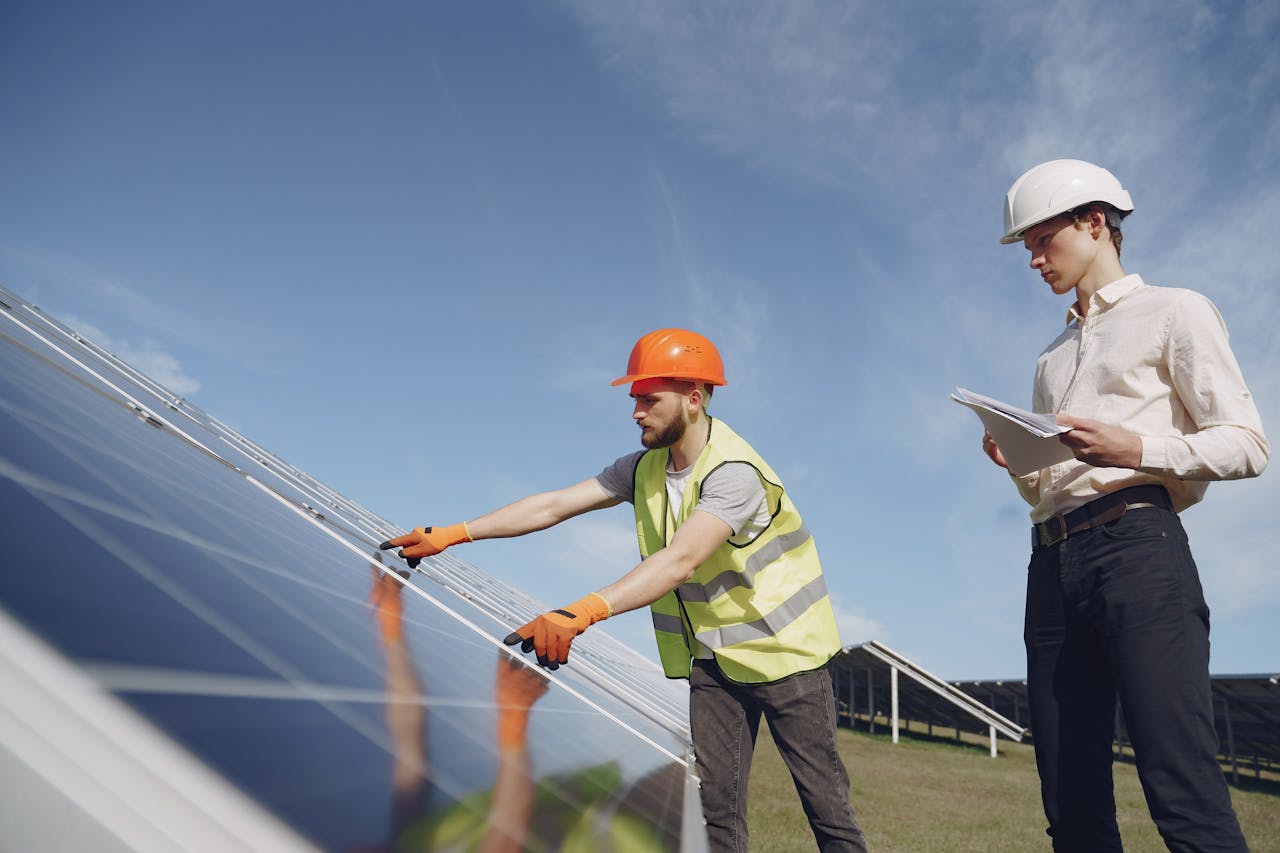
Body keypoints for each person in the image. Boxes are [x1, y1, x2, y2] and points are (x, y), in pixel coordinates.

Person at [382, 328, 868, 853]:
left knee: (826, 808)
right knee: (715, 814)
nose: (636, 411)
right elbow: (554, 506)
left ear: (693, 398)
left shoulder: (735, 474)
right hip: (713, 660)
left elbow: (680, 561)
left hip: (786, 658)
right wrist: (457, 532)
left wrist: (583, 611)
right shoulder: (642, 468)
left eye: (648, 399)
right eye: (634, 398)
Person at [983, 159, 1269, 851]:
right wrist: (1020, 464)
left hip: (1138, 549)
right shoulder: (1051, 358)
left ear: (1094, 223)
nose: (1033, 258)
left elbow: (1247, 445)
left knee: (1180, 783)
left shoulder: (1175, 310)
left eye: (1042, 239)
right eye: (1026, 245)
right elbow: (1054, 480)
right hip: (1051, 564)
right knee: (1069, 796)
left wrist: (1137, 447)